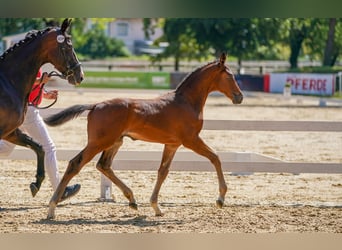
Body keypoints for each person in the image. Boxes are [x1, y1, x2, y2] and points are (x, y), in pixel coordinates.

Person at [0, 69, 81, 202]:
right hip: (28, 112)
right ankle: (60, 191)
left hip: (22, 109)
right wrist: (40, 81)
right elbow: (21, 83)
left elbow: (29, 87)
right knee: (49, 148)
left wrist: (45, 94)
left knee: (6, 149)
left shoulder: (32, 61)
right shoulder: (27, 59)